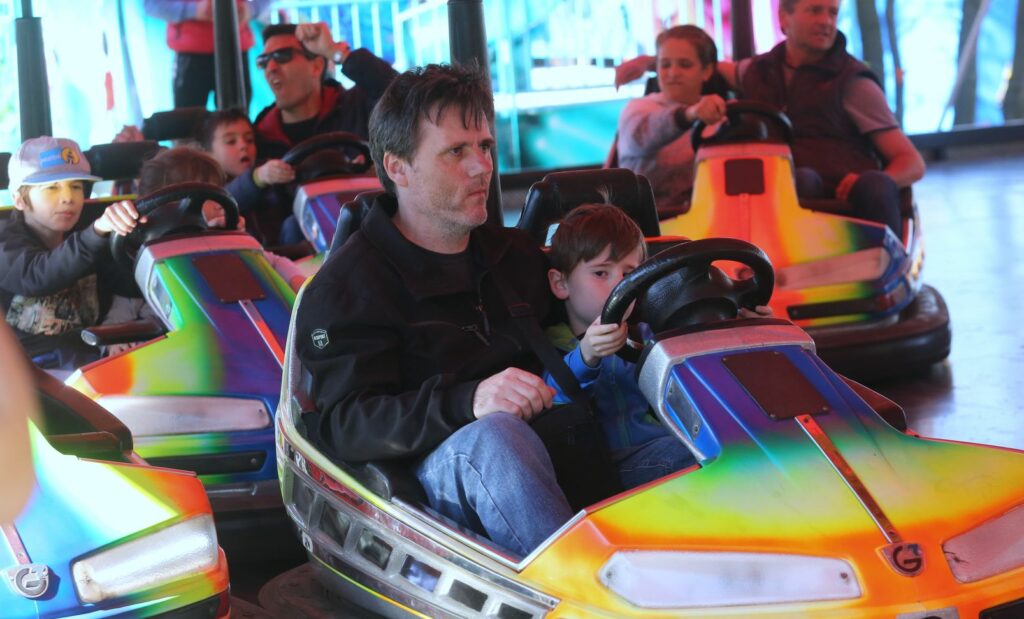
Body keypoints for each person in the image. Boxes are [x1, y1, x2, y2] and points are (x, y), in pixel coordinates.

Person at [296, 64, 574, 557]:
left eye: (484, 146)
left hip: (553, 449)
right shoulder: (349, 286)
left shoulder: (514, 256)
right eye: (456, 151)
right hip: (432, 485)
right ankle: (578, 592)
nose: (482, 167)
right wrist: (468, 401)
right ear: (398, 168)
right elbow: (346, 425)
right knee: (494, 440)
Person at [721, 0, 924, 233]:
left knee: (810, 181)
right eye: (815, 10)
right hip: (777, 199)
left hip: (843, 206)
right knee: (790, 180)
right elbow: (711, 71)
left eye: (833, 13)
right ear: (784, 17)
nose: (826, 22)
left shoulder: (855, 84)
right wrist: (696, 107)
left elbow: (912, 162)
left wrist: (872, 180)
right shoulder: (758, 71)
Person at [545, 203, 697, 488]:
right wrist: (586, 356)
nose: (619, 286)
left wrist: (738, 323)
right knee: (690, 459)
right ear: (561, 283)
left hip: (660, 448)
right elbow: (551, 398)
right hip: (603, 469)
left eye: (629, 276)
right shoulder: (552, 344)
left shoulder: (647, 335)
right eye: (601, 273)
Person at [0, 137, 144, 370]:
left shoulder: (89, 235)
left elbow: (127, 284)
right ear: (19, 199)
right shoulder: (5, 243)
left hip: (93, 360)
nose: (68, 198)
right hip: (28, 371)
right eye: (52, 187)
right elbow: (37, 275)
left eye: (76, 186)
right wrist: (96, 232)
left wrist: (142, 242)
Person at [136, 146, 307, 291]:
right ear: (171, 208)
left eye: (218, 192)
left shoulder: (226, 236)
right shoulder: (153, 262)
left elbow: (274, 262)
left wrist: (297, 282)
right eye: (208, 197)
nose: (220, 204)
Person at [616, 25, 727, 217]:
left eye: (685, 65)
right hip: (646, 223)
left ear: (707, 70)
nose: (673, 73)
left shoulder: (721, 115)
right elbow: (643, 135)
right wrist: (689, 115)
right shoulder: (637, 109)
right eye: (665, 65)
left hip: (710, 219)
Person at [144, 0, 271, 109]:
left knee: (236, 120)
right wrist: (193, 10)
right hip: (191, 56)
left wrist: (251, 9)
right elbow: (151, 5)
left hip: (234, 52)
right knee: (188, 123)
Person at [197, 108, 295, 242]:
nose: (243, 146)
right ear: (208, 155)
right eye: (231, 141)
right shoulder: (208, 190)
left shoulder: (269, 174)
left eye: (249, 140)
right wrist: (257, 178)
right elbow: (225, 199)